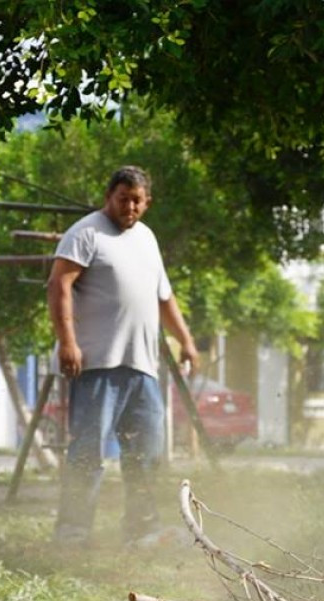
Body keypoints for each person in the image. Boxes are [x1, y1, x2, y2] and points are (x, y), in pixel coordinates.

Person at [47, 165, 199, 546]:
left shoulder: (147, 239)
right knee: (87, 452)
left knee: (146, 453)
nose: (129, 206)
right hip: (96, 364)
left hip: (142, 367)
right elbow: (58, 284)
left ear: (147, 203)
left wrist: (187, 341)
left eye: (137, 200)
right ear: (108, 197)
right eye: (122, 198)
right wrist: (68, 341)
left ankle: (142, 531)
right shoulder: (86, 233)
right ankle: (73, 533)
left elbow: (165, 297)